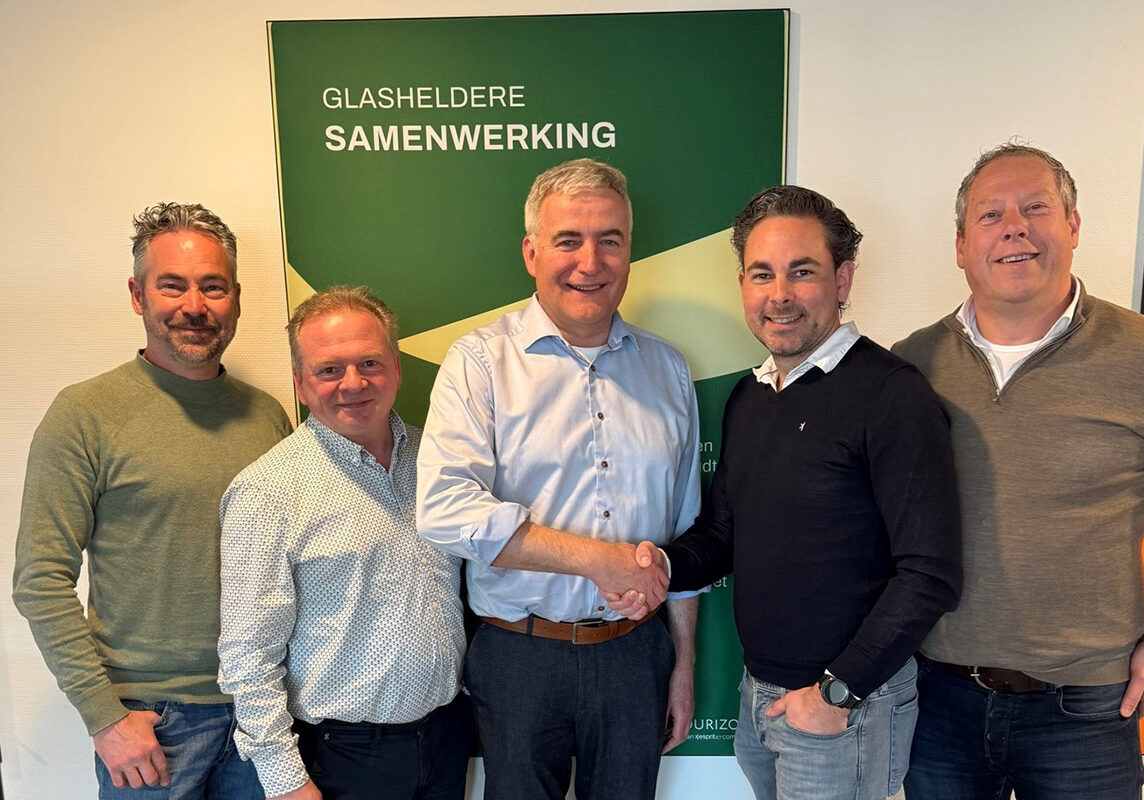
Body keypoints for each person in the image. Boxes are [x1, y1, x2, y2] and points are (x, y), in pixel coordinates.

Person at [632, 185, 961, 800]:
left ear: (843, 279)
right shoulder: (751, 396)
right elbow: (724, 533)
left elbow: (930, 574)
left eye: (801, 272)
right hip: (761, 696)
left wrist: (838, 692)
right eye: (762, 274)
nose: (779, 294)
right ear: (743, 285)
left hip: (844, 707)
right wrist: (661, 566)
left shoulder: (892, 395)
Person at [416, 158, 700, 800]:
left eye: (610, 240)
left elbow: (687, 530)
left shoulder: (668, 370)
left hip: (636, 655)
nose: (589, 263)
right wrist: (596, 560)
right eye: (568, 240)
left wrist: (682, 664)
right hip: (520, 655)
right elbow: (443, 507)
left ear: (630, 251)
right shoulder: (479, 362)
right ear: (531, 253)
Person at [13, 202, 292, 798]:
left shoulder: (268, 418)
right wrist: (105, 718)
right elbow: (39, 580)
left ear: (236, 299)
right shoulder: (85, 414)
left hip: (264, 712)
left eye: (213, 287)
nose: (195, 305)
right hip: (154, 725)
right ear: (138, 296)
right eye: (173, 285)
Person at [894, 142, 1144, 799]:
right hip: (938, 698)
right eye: (991, 215)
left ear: (1074, 225)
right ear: (960, 245)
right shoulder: (909, 366)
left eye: (1036, 208)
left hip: (1089, 707)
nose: (1014, 228)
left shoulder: (1138, 353)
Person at [218, 286, 471, 800]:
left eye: (369, 363)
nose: (353, 383)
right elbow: (247, 655)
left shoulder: (439, 462)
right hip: (341, 759)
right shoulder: (266, 492)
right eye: (329, 370)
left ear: (396, 368)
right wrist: (287, 782)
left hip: (447, 738)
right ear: (300, 384)